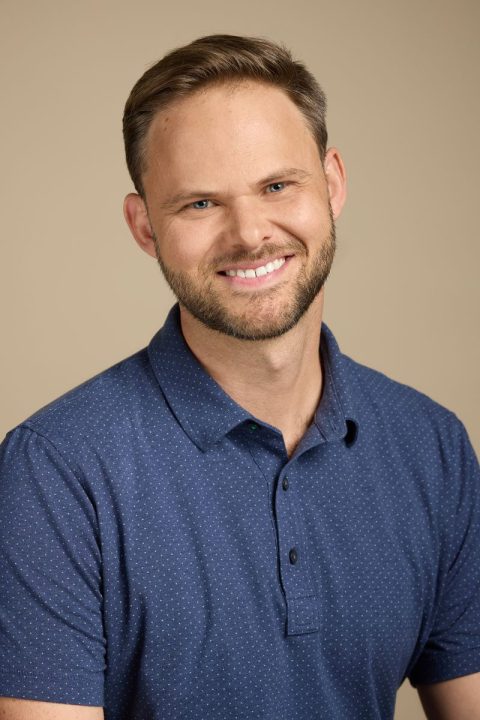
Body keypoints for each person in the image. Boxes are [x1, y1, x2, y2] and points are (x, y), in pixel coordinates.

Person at [0, 34, 479, 720]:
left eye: (277, 185)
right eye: (200, 203)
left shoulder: (432, 448)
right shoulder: (55, 472)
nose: (250, 233)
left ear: (333, 183)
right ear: (143, 226)